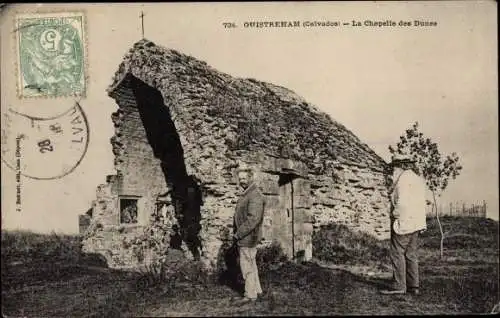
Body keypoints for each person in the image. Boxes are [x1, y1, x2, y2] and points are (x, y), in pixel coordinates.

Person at [381, 154, 428, 295]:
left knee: (397, 252)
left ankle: (399, 286)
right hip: (416, 222)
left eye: (395, 166)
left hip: (405, 221)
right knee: (411, 254)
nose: (393, 169)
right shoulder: (417, 179)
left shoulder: (402, 180)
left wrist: (395, 215)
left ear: (400, 166)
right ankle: (413, 286)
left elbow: (402, 203)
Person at [232, 163, 266, 304]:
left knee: (246, 266)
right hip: (247, 236)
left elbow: (253, 219)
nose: (242, 181)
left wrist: (238, 234)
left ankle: (250, 295)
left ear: (251, 178)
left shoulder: (254, 195)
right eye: (240, 178)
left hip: (248, 237)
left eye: (245, 178)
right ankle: (256, 291)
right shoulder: (248, 193)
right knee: (251, 264)